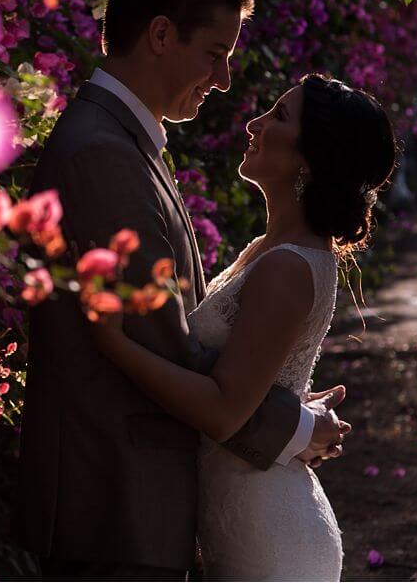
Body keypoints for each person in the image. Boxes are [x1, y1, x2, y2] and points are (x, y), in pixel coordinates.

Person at [16, 0, 350, 579]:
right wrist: (297, 426)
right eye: (215, 54)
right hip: (111, 498)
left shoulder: (121, 143)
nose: (224, 79)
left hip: (129, 495)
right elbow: (162, 344)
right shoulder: (104, 156)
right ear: (162, 35)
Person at [88, 74, 397, 579]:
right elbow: (248, 374)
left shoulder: (288, 267)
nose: (253, 124)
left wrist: (114, 344)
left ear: (309, 157)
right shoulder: (267, 250)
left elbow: (225, 410)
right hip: (240, 507)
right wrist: (297, 421)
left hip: (265, 532)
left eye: (277, 116)